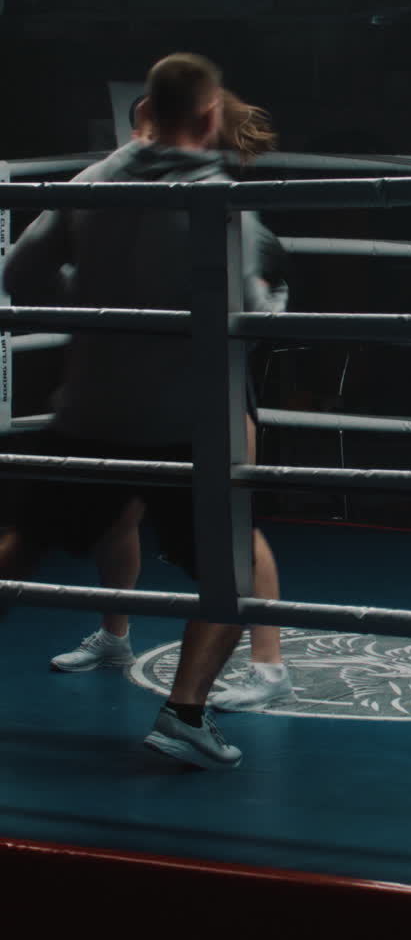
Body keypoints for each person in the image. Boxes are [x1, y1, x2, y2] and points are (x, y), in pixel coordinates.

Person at [1, 52, 281, 769]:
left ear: (147, 111)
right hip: (186, 423)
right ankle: (185, 714)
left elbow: (18, 272)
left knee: (21, 546)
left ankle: (150, 667)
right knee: (231, 576)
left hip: (91, 409)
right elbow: (248, 312)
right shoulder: (219, 198)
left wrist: (100, 312)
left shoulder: (91, 182)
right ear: (210, 114)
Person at [48, 88, 292, 711]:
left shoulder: (232, 212)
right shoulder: (132, 210)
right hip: (136, 390)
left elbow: (260, 312)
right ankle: (114, 634)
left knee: (230, 530)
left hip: (211, 389)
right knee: (118, 514)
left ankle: (268, 665)